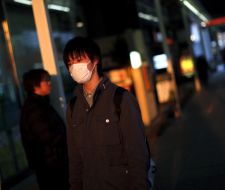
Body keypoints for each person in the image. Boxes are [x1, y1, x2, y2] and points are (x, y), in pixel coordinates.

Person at [63, 36, 150, 190]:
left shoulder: (121, 99)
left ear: (95, 60)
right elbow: (75, 159)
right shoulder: (73, 107)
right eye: (70, 63)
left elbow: (137, 153)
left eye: (78, 60)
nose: (73, 67)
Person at [20, 69, 69, 190]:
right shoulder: (34, 108)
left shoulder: (41, 104)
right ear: (35, 85)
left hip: (53, 162)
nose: (49, 83)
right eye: (46, 80)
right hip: (49, 166)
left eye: (49, 80)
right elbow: (47, 137)